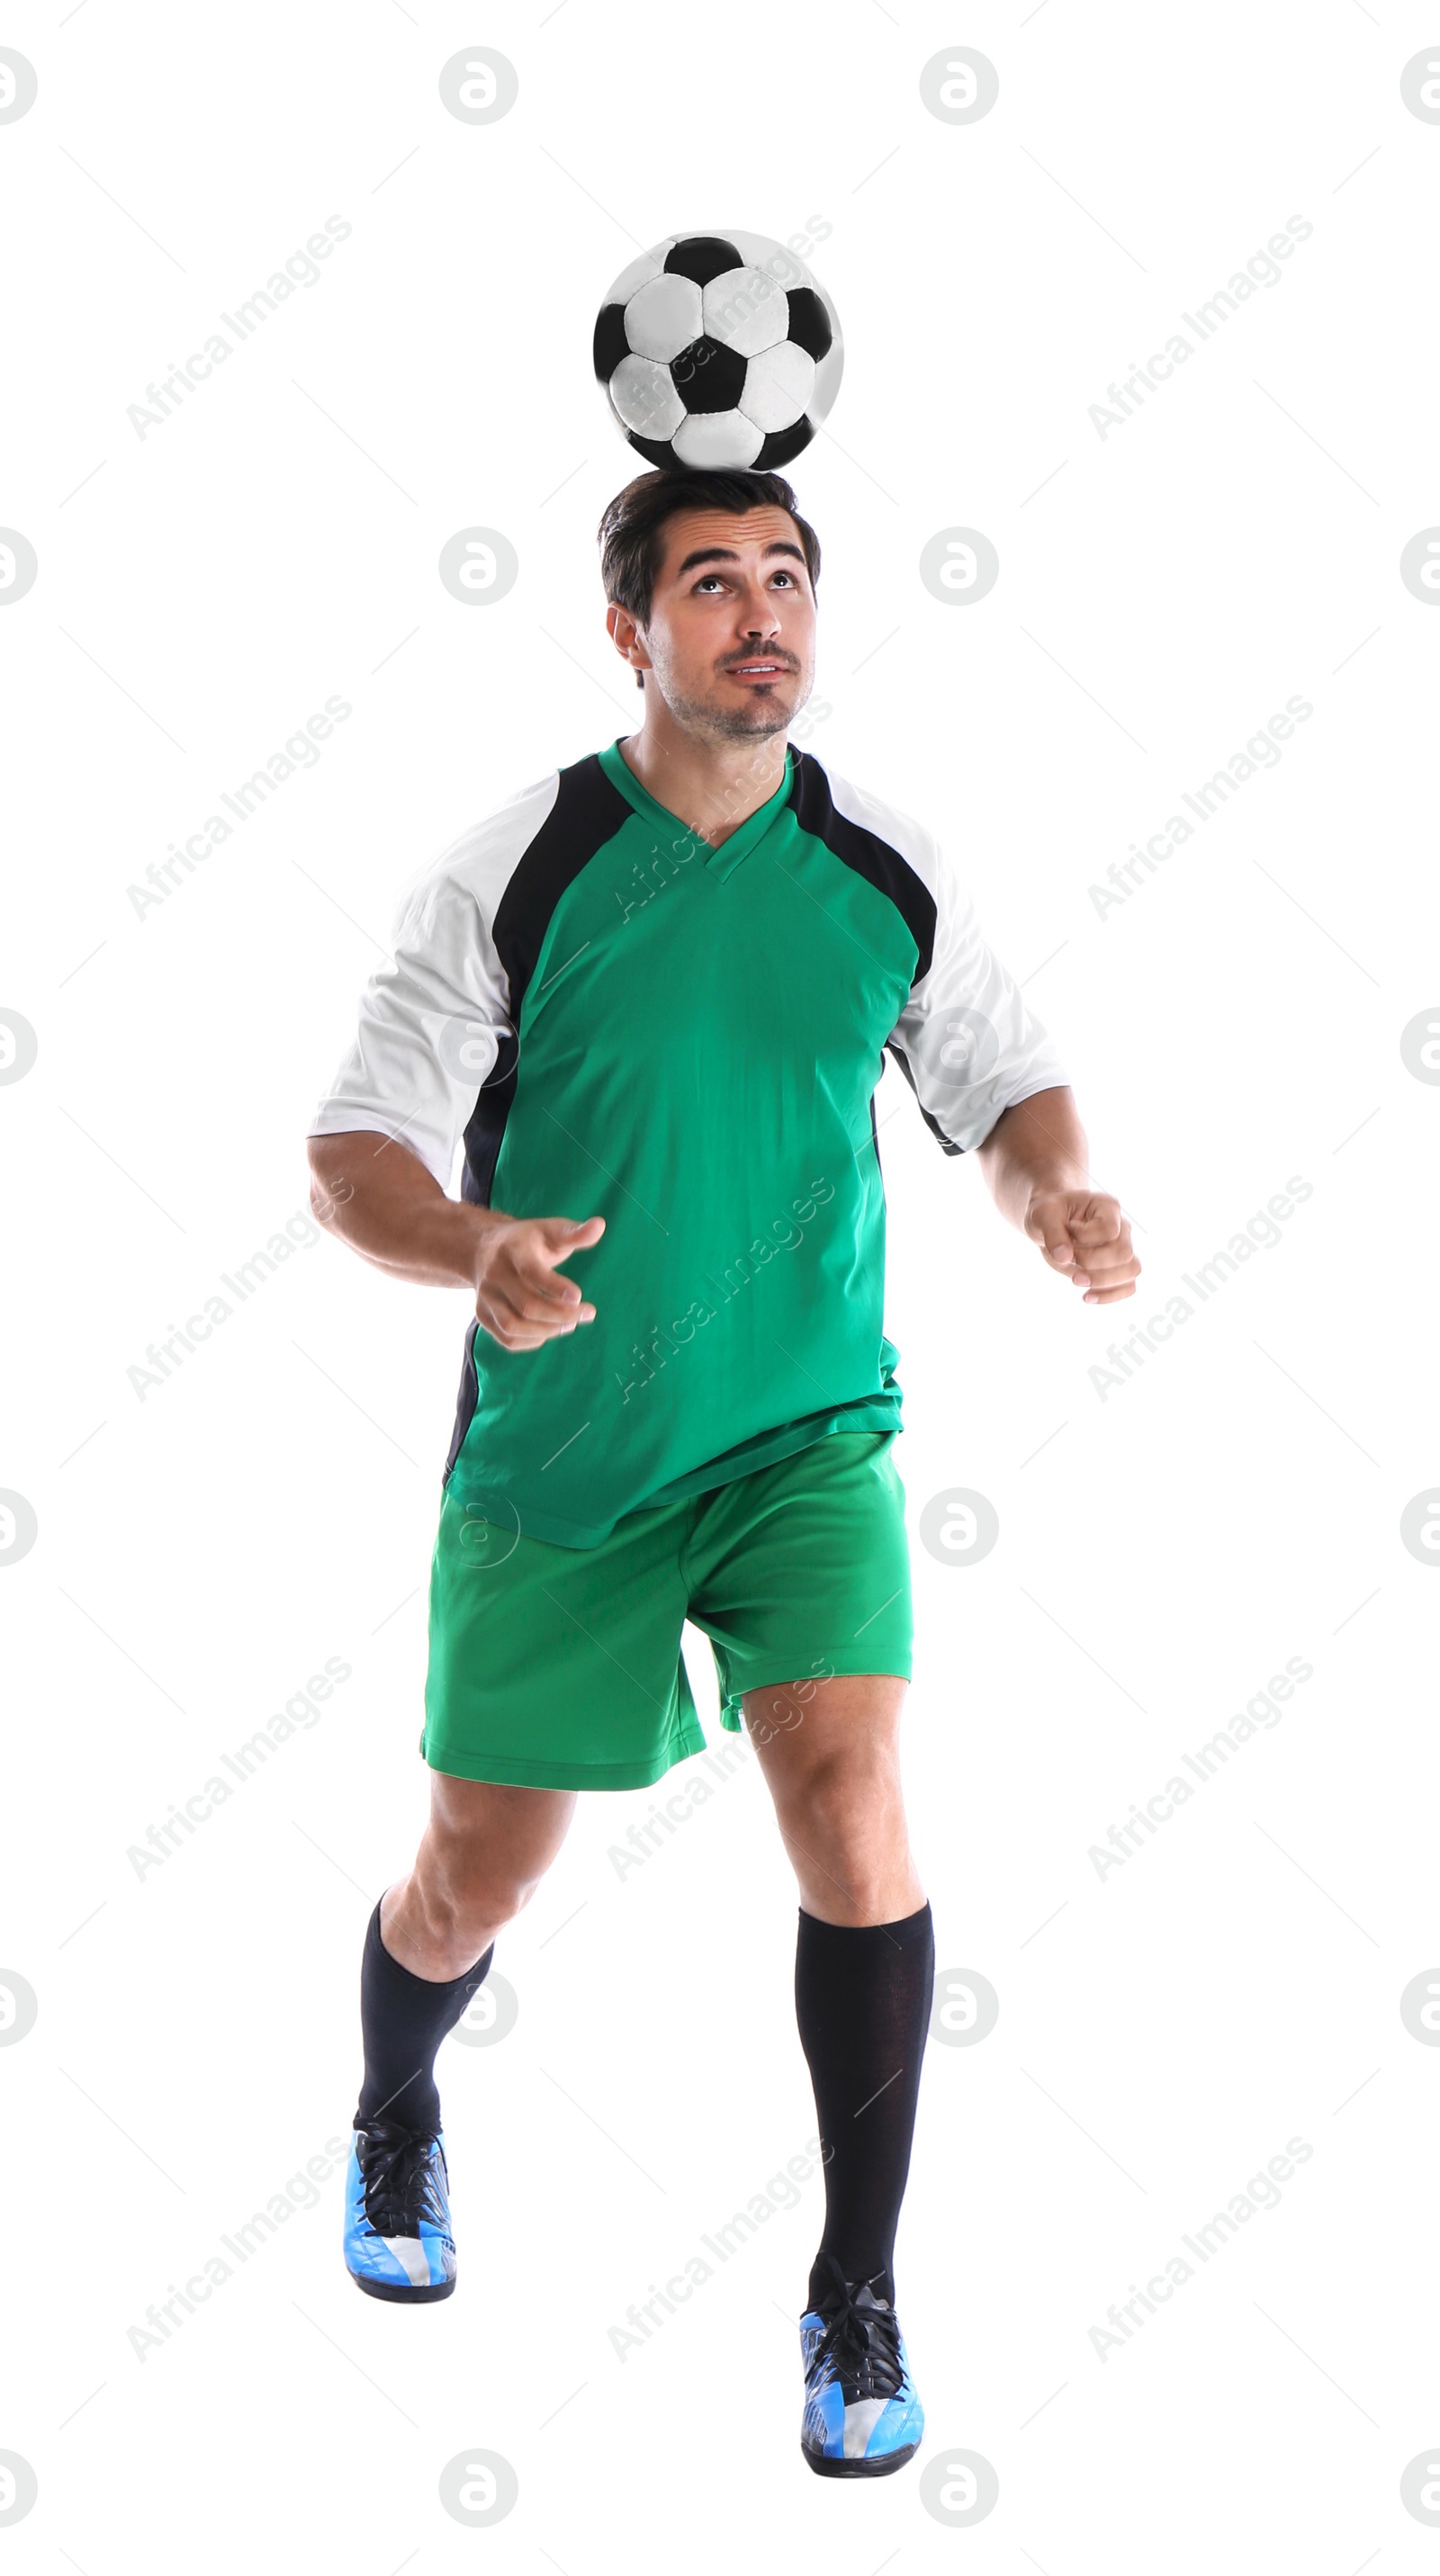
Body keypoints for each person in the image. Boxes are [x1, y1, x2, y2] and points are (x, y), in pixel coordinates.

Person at [305, 465, 1138, 2477]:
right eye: (710, 585)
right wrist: (470, 1246)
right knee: (467, 1881)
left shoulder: (872, 863)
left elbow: (1000, 1073)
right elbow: (354, 1157)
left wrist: (1052, 1194)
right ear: (627, 633)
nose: (760, 615)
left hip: (802, 1436)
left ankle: (853, 2286)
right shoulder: (513, 870)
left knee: (852, 1801)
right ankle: (394, 2102)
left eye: (783, 577)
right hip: (566, 1460)